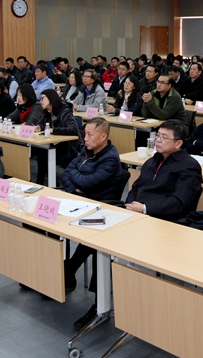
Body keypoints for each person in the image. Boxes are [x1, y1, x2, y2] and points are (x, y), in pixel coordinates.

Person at [62, 118, 124, 295]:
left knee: (91, 235)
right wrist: (75, 187)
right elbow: (66, 172)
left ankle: (68, 270)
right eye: (84, 134)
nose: (85, 139)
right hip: (78, 200)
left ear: (103, 136)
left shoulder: (110, 158)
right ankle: (62, 270)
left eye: (89, 135)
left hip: (99, 206)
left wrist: (76, 178)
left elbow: (87, 183)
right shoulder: (87, 150)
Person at [125, 119, 202, 219]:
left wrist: (145, 208)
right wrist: (129, 205)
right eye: (158, 135)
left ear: (178, 143)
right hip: (137, 213)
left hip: (164, 218)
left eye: (164, 137)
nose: (158, 140)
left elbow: (178, 202)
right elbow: (135, 188)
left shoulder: (189, 166)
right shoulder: (152, 161)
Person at [33, 89, 81, 185]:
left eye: (42, 98)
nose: (40, 101)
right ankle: (43, 181)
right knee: (41, 151)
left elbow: (73, 129)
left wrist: (54, 130)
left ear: (51, 99)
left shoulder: (65, 112)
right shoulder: (47, 112)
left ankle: (45, 181)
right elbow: (41, 123)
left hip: (67, 148)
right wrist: (39, 127)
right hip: (54, 145)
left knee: (43, 153)